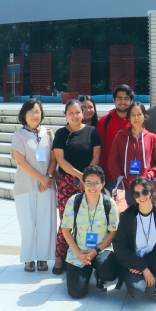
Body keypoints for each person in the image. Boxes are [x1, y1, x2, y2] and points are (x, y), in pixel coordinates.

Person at [51, 99, 103, 274]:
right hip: (67, 182)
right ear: (66, 115)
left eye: (77, 112)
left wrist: (87, 177)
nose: (74, 116)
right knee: (66, 220)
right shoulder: (60, 133)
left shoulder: (92, 131)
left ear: (83, 113)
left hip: (90, 184)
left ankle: (89, 256)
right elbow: (60, 160)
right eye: (70, 113)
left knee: (88, 220)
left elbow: (96, 155)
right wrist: (81, 176)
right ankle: (60, 258)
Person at [114, 178, 156, 306]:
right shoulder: (127, 217)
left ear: (151, 192)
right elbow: (120, 247)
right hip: (133, 265)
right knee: (137, 292)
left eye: (144, 192)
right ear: (133, 197)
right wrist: (142, 267)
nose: (141, 196)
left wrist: (146, 265)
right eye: (137, 194)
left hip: (152, 260)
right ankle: (138, 279)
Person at [58, 166, 119, 298]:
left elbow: (113, 232)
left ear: (103, 184)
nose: (92, 186)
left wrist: (96, 250)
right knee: (76, 292)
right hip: (79, 250)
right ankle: (84, 270)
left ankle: (100, 275)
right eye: (88, 183)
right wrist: (78, 253)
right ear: (83, 183)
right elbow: (66, 230)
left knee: (110, 272)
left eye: (96, 183)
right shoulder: (74, 201)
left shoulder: (110, 204)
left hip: (101, 249)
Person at [11, 99, 57, 273]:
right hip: (26, 186)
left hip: (47, 186)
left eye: (37, 111)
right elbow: (21, 162)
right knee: (27, 223)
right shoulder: (19, 135)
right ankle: (29, 258)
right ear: (24, 114)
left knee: (46, 223)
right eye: (31, 111)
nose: (35, 115)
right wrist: (41, 179)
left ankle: (43, 258)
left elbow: (53, 158)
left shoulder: (48, 133)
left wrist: (49, 177)